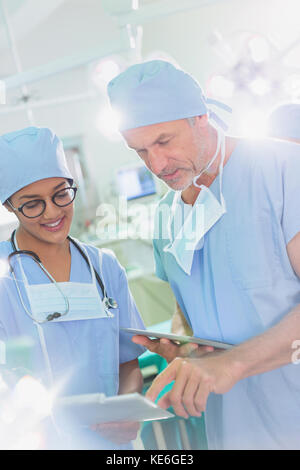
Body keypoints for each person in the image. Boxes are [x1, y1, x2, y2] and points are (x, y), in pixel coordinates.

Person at [107, 60, 300, 450]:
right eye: (141, 151)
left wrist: (232, 364)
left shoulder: (283, 171)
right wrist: (184, 348)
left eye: (164, 141)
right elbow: (188, 317)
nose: (156, 165)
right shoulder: (166, 215)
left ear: (201, 118)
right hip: (233, 428)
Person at [0, 126, 146, 450]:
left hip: (112, 445)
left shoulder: (105, 267)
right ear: (9, 205)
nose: (53, 212)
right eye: (32, 204)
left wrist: (127, 409)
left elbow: (128, 362)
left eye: (61, 194)